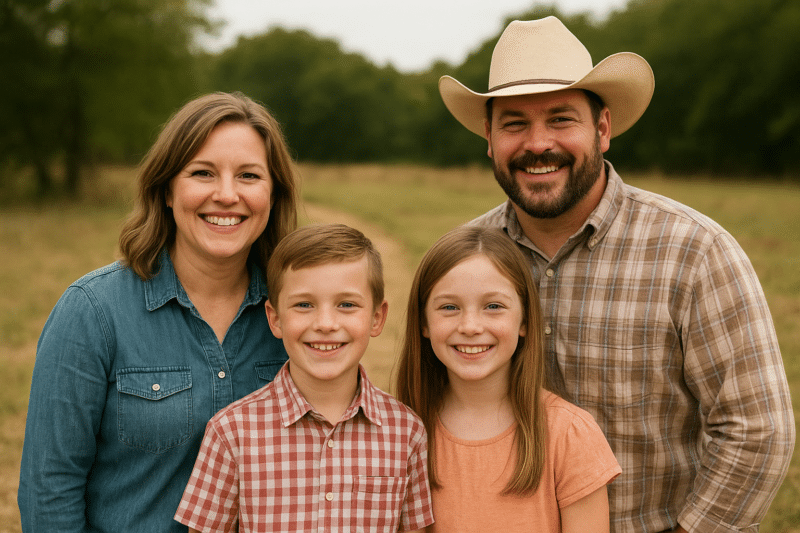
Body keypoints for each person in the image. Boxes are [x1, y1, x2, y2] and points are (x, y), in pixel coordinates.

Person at [437, 16, 795, 533]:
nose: (538, 144)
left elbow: (756, 430)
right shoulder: (466, 261)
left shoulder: (693, 251)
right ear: (488, 138)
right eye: (514, 123)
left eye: (561, 119)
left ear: (602, 129)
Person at [18, 92, 298, 532]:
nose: (227, 195)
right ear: (167, 188)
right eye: (202, 173)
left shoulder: (296, 315)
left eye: (248, 175)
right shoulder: (93, 311)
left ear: (273, 193)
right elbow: (50, 486)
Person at [174, 223, 434, 533]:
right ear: (275, 319)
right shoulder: (231, 432)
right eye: (304, 305)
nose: (325, 323)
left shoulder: (407, 432)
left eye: (346, 305)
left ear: (377, 317)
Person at [396, 225, 621, 532]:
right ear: (423, 322)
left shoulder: (569, 434)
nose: (471, 326)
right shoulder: (405, 431)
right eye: (449, 307)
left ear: (524, 321)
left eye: (493, 307)